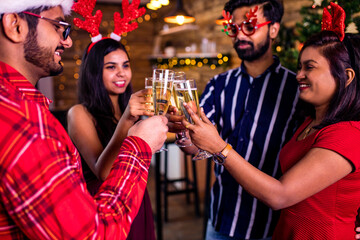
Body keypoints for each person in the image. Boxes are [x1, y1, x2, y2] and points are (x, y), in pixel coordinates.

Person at [183, 7, 360, 239]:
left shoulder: (346, 133)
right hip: (240, 219)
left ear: (346, 77)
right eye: (300, 66)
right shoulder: (311, 121)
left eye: (310, 67)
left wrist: (219, 147)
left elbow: (281, 195)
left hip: (285, 227)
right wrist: (188, 135)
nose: (299, 75)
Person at [0, 1, 168, 239]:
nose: (67, 41)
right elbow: (90, 233)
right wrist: (139, 144)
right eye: (58, 26)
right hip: (109, 210)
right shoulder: (27, 122)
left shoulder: (24, 107)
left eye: (125, 66)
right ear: (14, 25)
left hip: (127, 203)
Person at [170, 0, 300, 239]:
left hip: (270, 227)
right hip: (221, 219)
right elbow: (193, 145)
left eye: (249, 26)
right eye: (233, 27)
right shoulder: (219, 85)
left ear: (273, 29)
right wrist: (182, 130)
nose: (240, 34)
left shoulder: (296, 90)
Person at [67, 38, 155, 240]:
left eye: (125, 65)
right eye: (111, 67)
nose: (121, 73)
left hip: (135, 197)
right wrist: (128, 119)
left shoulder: (130, 109)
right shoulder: (79, 113)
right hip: (104, 206)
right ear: (95, 73)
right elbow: (103, 172)